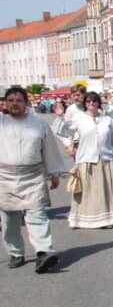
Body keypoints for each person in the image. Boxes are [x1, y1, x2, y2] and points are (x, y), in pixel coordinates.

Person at [0, 86, 67, 272]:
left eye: (18, 100)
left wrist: (54, 173)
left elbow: (50, 150)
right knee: (9, 220)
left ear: (26, 103)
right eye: (10, 100)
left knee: (37, 215)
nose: (14, 104)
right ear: (5, 103)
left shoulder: (39, 124)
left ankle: (43, 253)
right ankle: (15, 253)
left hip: (33, 176)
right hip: (4, 178)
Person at [66, 91, 113, 229]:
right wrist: (61, 117)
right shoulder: (79, 118)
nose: (91, 103)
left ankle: (110, 218)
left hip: (106, 159)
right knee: (88, 191)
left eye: (94, 101)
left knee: (107, 191)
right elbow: (64, 132)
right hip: (86, 159)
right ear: (85, 104)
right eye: (88, 101)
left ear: (98, 103)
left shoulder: (108, 120)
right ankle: (85, 219)